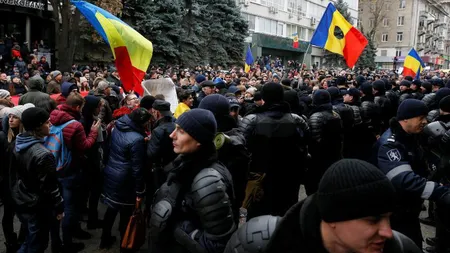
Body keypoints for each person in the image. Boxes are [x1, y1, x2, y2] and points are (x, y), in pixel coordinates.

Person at [225, 159, 422, 253]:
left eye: (388, 217)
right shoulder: (257, 242)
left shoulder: (403, 248)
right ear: (332, 217)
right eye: (373, 220)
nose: (387, 232)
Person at [149, 109, 235, 253]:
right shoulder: (184, 162)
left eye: (181, 131)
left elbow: (217, 246)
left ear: (199, 140)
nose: (172, 135)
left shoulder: (208, 182)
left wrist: (173, 225)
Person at [373, 99, 450, 248]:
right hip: (395, 211)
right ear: (405, 118)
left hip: (409, 208)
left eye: (425, 118)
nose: (425, 122)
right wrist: (442, 192)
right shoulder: (389, 144)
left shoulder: (412, 136)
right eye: (420, 118)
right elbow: (404, 180)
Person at [9, 107, 64, 253]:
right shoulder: (44, 155)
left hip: (22, 200)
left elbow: (13, 176)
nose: (50, 125)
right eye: (47, 122)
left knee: (29, 240)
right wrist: (58, 208)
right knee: (37, 244)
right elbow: (50, 187)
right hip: (37, 207)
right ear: (38, 126)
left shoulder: (17, 143)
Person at [100, 108, 149, 250]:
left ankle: (105, 239)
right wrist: (140, 191)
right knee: (126, 214)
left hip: (111, 172)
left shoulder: (117, 127)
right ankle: (125, 245)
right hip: (125, 180)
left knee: (111, 209)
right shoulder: (137, 139)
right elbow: (137, 168)